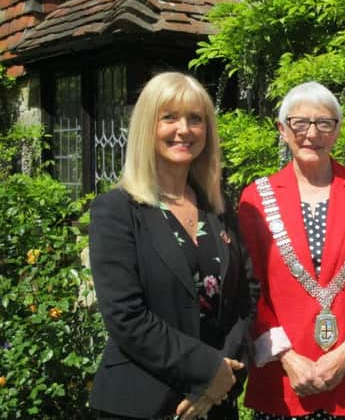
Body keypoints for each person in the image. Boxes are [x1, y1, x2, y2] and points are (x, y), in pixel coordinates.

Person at [88, 72, 252, 420]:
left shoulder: (219, 208)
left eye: (196, 118)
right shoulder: (116, 211)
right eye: (170, 117)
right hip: (142, 403)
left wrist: (224, 379)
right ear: (148, 126)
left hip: (216, 404)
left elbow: (246, 298)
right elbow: (125, 315)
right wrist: (208, 370)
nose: (184, 129)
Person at [238, 81, 345, 420]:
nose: (311, 133)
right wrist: (288, 358)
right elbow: (249, 290)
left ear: (337, 130)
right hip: (285, 382)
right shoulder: (255, 197)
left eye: (324, 123)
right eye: (300, 122)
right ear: (283, 130)